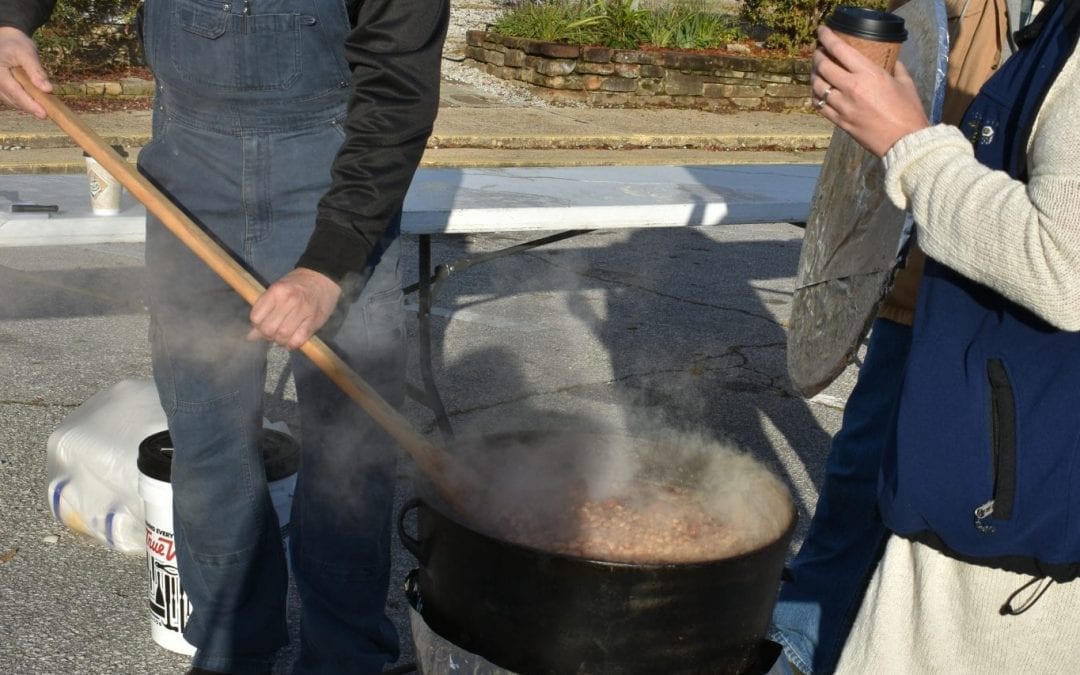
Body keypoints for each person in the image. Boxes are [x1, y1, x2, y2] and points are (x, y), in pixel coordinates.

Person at [0, 0, 449, 673]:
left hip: (335, 178)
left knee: (350, 459)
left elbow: (399, 83)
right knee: (208, 450)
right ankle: (232, 650)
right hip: (189, 180)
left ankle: (347, 655)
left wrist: (330, 262)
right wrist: (12, 19)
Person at [806, 0, 1080, 668]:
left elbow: (1064, 263)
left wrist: (909, 143)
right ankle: (798, 636)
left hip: (1015, 495)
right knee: (859, 487)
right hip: (965, 352)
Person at [768, 1, 1013, 671]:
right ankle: (800, 641)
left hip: (1013, 309)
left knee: (967, 510)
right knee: (859, 477)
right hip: (920, 280)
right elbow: (913, 42)